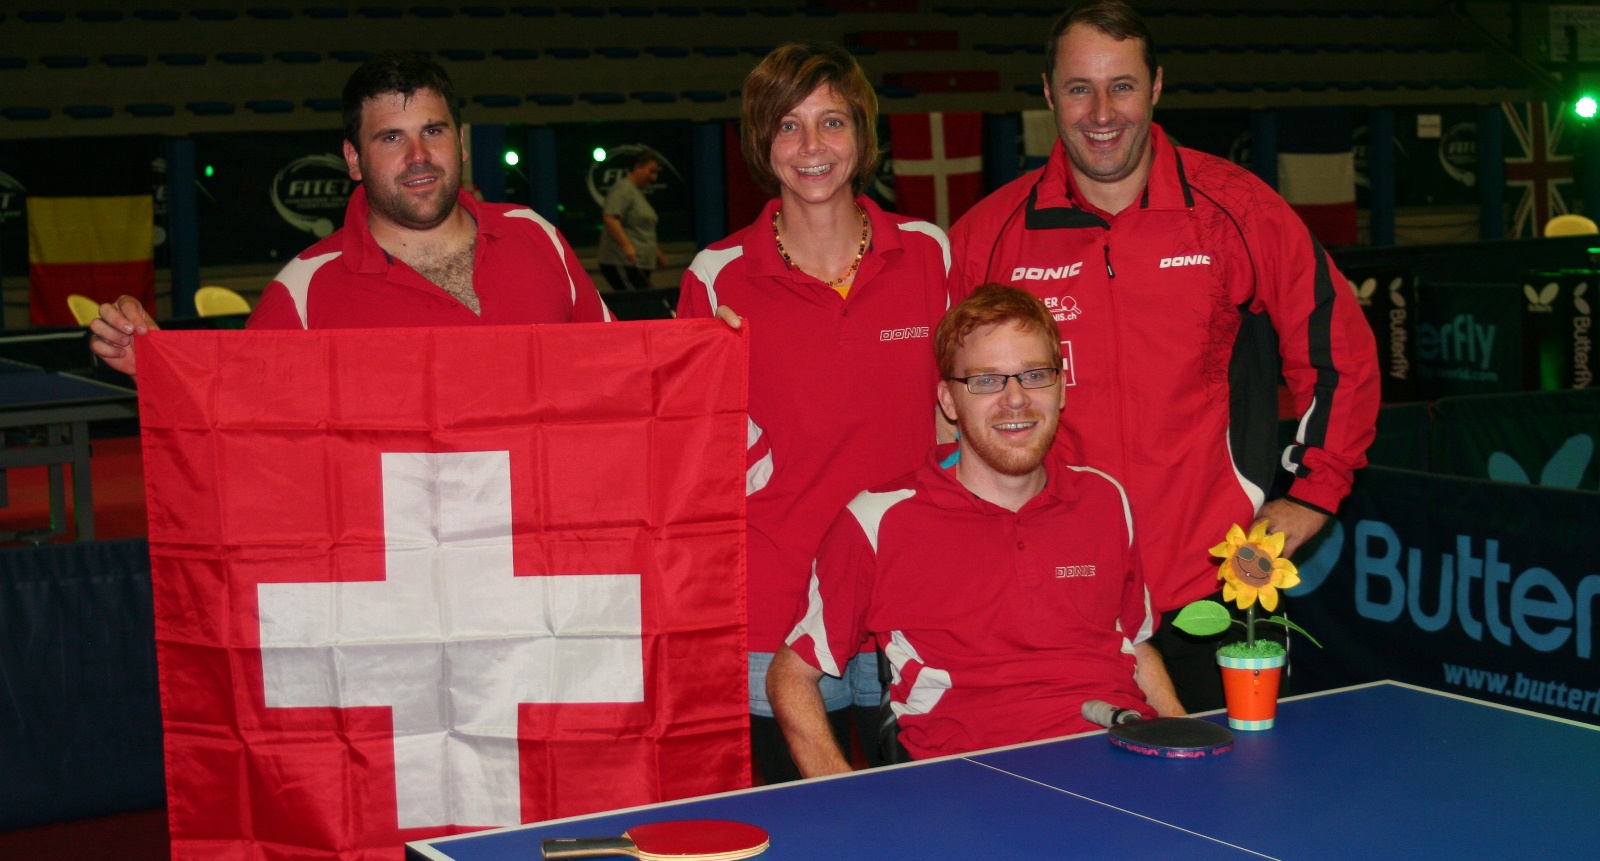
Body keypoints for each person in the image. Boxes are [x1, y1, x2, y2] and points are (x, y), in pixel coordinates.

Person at [946, 0, 1380, 712]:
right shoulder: (989, 238)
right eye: (1079, 88)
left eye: (1122, 85)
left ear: (1156, 87)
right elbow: (938, 404)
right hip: (1052, 597)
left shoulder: (1238, 210)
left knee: (1237, 806)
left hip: (1213, 591)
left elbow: (1340, 354)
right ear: (1050, 93)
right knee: (1067, 813)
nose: (1101, 111)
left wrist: (1311, 493)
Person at [677, 42, 952, 783]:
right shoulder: (716, 277)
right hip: (778, 609)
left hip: (910, 599)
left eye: (832, 122)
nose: (812, 147)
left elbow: (961, 423)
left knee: (930, 819)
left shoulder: (930, 255)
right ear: (761, 144)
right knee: (795, 827)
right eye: (789, 126)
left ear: (863, 136)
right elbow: (692, 462)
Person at [769, 284, 1181, 775]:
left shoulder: (1105, 499)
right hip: (970, 782)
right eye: (985, 380)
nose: (1015, 399)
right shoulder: (878, 520)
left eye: (1034, 375)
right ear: (949, 400)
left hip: (1122, 758)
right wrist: (845, 794)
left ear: (1061, 386)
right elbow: (790, 676)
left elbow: (1134, 644)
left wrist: (1180, 739)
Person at [90, 52, 611, 375]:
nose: (419, 157)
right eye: (391, 139)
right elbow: (242, 422)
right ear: (353, 159)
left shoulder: (535, 235)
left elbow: (622, 370)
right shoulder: (302, 294)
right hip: (404, 553)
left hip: (547, 545)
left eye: (433, 130)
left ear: (461, 142)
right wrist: (157, 371)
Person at [597, 149, 667, 291]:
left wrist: (655, 252)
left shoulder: (636, 193)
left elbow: (639, 227)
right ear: (637, 167)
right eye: (651, 171)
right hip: (624, 262)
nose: (654, 177)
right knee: (636, 303)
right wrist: (626, 246)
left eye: (656, 173)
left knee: (644, 301)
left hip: (640, 263)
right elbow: (610, 218)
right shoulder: (623, 189)